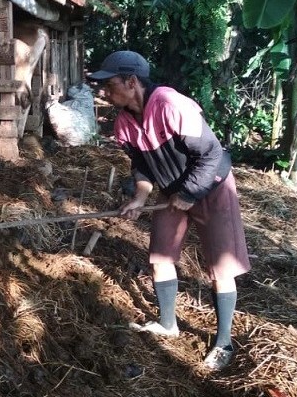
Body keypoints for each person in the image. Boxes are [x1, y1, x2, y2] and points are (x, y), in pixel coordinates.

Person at [89, 50, 251, 371]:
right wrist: (139, 197)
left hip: (212, 185)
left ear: (132, 82)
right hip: (173, 192)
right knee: (160, 257)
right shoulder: (123, 122)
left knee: (221, 266)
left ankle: (223, 342)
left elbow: (210, 152)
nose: (104, 92)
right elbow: (142, 166)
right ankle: (168, 324)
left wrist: (190, 193)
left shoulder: (168, 104)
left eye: (110, 85)